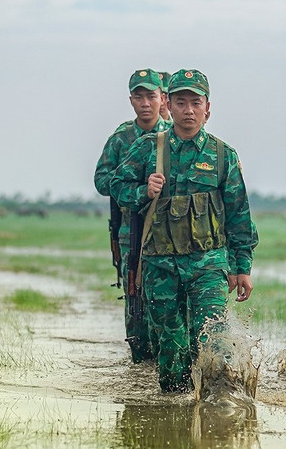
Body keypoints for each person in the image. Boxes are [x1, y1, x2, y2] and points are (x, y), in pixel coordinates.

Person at [110, 69, 258, 393]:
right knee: (172, 348)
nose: (188, 110)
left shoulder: (223, 155)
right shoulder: (149, 148)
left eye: (195, 103)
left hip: (208, 265)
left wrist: (242, 268)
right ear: (169, 105)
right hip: (161, 265)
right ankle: (174, 411)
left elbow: (239, 216)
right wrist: (143, 191)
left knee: (213, 338)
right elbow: (116, 185)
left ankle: (219, 405)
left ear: (208, 108)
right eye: (180, 102)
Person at [94, 68, 170, 363]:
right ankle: (140, 359)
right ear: (131, 100)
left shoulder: (173, 134)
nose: (145, 103)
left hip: (169, 231)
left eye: (150, 96)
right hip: (131, 231)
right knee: (135, 295)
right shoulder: (121, 139)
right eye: (139, 97)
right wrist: (135, 185)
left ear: (162, 98)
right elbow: (102, 182)